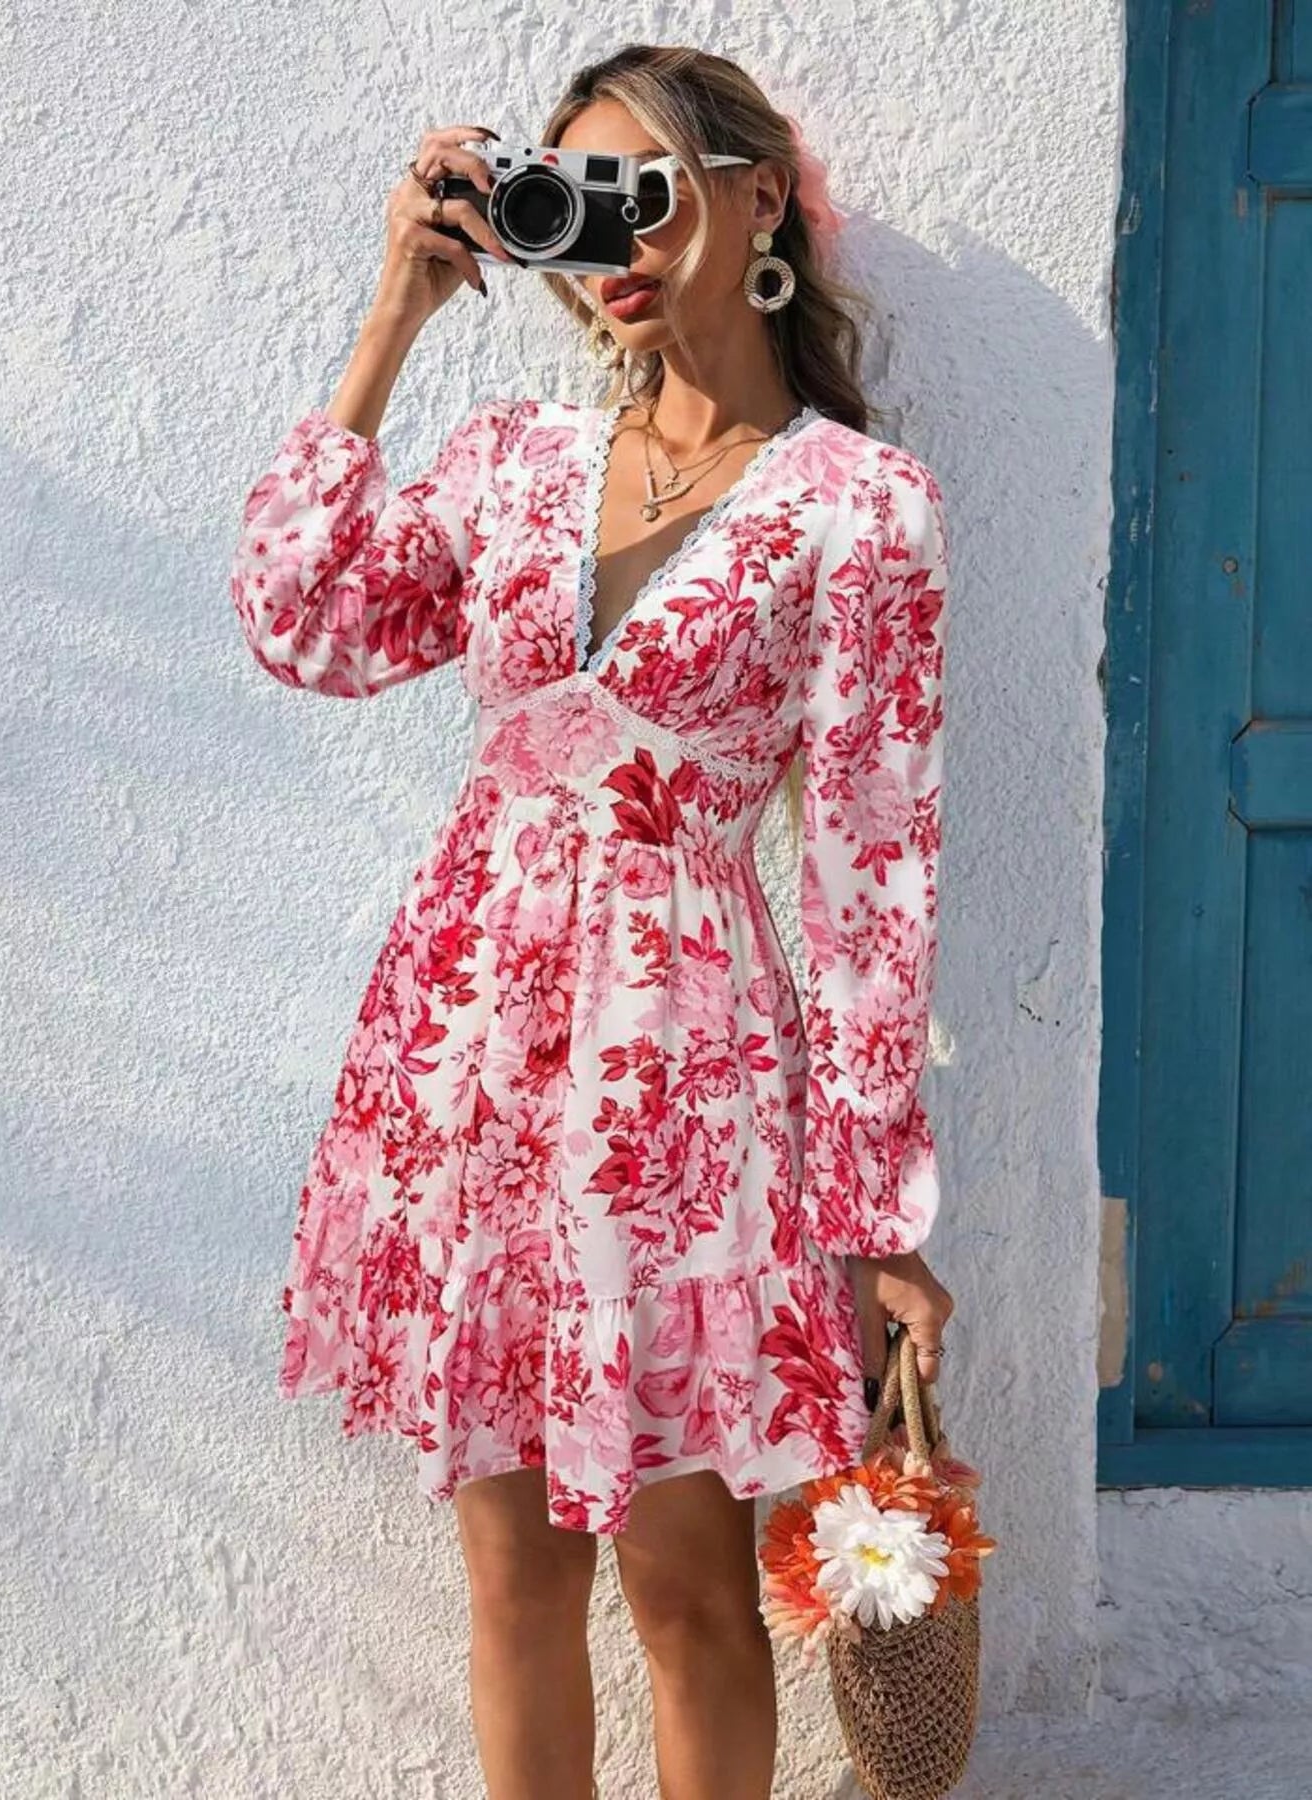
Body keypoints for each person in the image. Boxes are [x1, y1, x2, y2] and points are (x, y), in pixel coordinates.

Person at [230, 42, 953, 1800]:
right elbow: (303, 622)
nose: (610, 239)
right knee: (512, 1575)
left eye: (648, 189)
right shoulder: (509, 464)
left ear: (759, 199)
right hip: (461, 1061)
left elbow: (871, 872)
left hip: (680, 1085)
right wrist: (394, 313)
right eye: (581, 201)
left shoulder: (859, 509)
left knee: (691, 1587)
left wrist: (876, 1217)